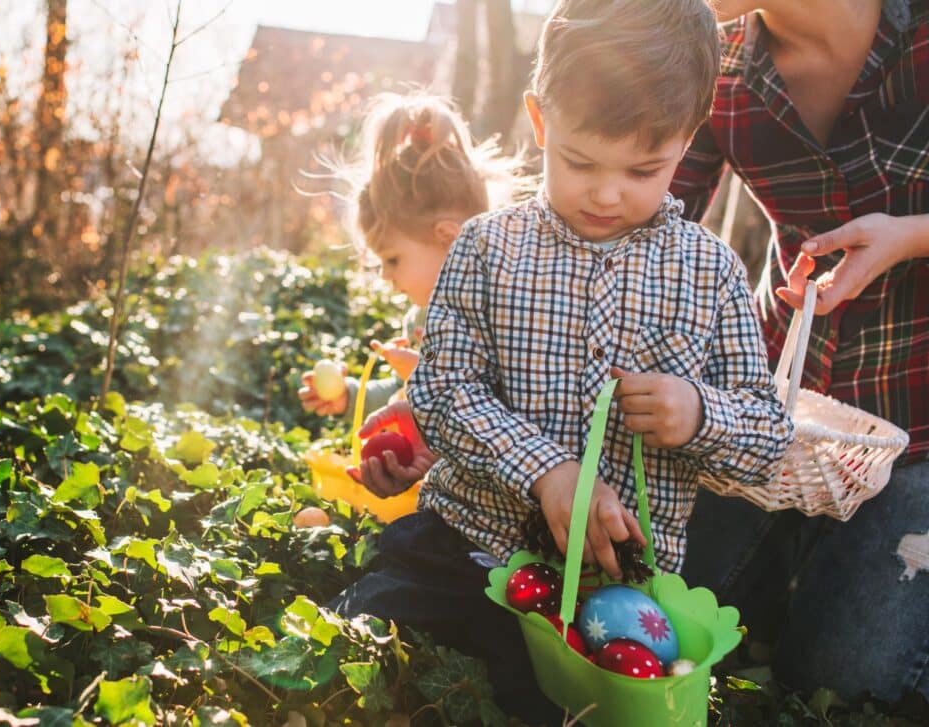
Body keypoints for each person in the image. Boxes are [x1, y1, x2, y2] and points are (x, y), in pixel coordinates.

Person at [331, 0, 794, 720]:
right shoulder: (487, 248)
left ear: (688, 138)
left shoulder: (712, 274)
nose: (606, 192)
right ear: (540, 121)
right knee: (361, 645)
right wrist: (547, 470)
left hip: (612, 597)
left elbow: (768, 440)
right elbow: (443, 391)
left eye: (643, 169)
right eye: (579, 162)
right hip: (465, 546)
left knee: (547, 703)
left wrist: (699, 413)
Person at [673, 0, 929, 704]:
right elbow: (643, 207)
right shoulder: (714, 56)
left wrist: (911, 236)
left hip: (917, 422)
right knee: (669, 617)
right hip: (779, 401)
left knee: (841, 684)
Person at [296, 92, 527, 491]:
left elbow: (514, 408)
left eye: (393, 259)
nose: (386, 276)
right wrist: (349, 397)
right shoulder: (421, 318)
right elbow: (401, 396)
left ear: (448, 238)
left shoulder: (510, 310)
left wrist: (429, 379)